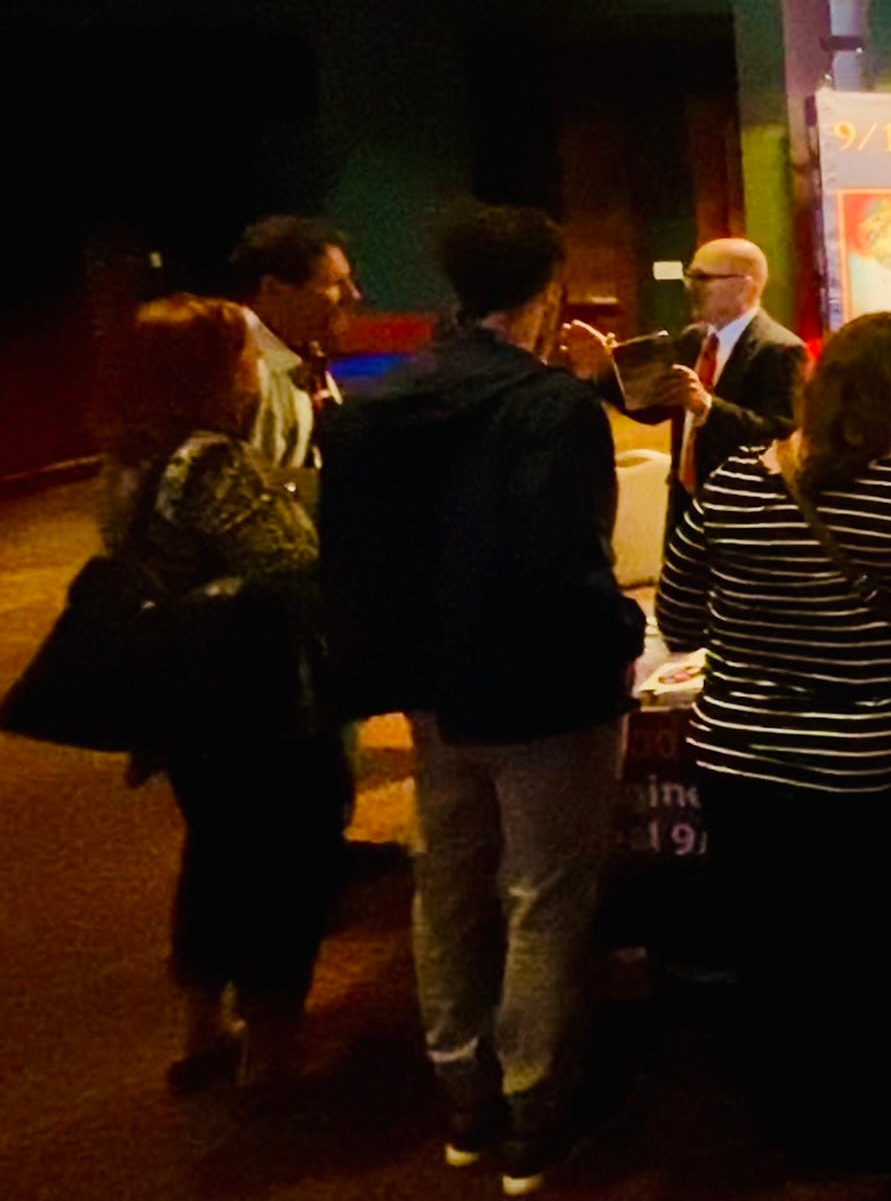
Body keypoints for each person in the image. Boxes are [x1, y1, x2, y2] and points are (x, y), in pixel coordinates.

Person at [318, 206, 645, 1196]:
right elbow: (568, 566)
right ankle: (535, 1112)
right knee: (543, 898)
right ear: (546, 291)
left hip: (433, 690)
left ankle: (464, 1099)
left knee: (449, 888)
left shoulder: (380, 401)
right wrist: (626, 640)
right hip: (549, 692)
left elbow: (354, 563)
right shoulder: (552, 407)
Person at [654, 312, 891, 1183]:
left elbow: (679, 617)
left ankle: (789, 1120)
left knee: (772, 948)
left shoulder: (735, 480)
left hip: (740, 762)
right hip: (871, 768)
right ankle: (880, 1128)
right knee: (878, 956)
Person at [94, 294, 348, 1095]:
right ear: (206, 372)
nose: (253, 371)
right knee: (286, 862)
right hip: (257, 701)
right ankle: (271, 1047)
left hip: (183, 699)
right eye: (242, 356)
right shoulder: (214, 463)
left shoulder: (129, 463)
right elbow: (289, 567)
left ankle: (202, 1024)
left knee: (214, 856)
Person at [559, 236, 806, 530]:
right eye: (690, 277)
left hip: (745, 510)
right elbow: (651, 406)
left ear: (744, 285)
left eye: (703, 278)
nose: (690, 287)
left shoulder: (780, 349)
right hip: (685, 505)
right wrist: (603, 371)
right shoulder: (694, 338)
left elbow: (781, 437)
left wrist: (707, 408)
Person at [228, 215, 362, 482]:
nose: (353, 295)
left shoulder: (302, 360)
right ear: (272, 288)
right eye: (335, 283)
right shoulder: (236, 366)